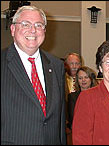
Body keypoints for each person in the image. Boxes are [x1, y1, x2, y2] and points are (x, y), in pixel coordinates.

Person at [1, 6, 66, 145]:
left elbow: (59, 119)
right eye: (25, 24)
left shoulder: (56, 65)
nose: (33, 30)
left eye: (38, 25)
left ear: (44, 31)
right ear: (13, 29)